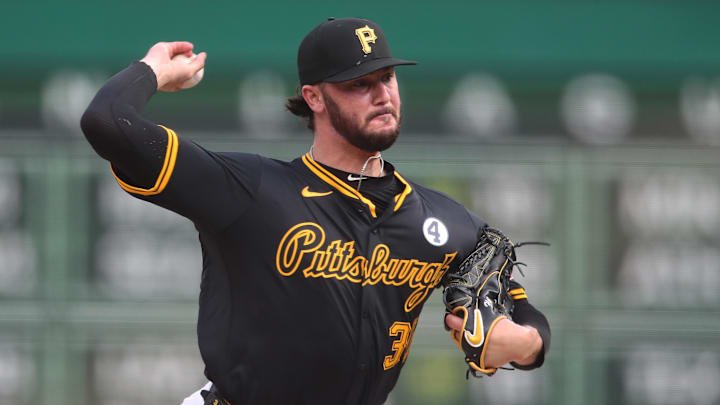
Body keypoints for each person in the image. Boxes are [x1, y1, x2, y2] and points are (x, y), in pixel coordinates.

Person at [81, 17, 550, 405]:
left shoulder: (444, 222)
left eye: (386, 77)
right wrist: (151, 70)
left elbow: (528, 324)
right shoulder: (251, 190)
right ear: (314, 98)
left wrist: (521, 345)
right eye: (358, 84)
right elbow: (107, 123)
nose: (381, 94)